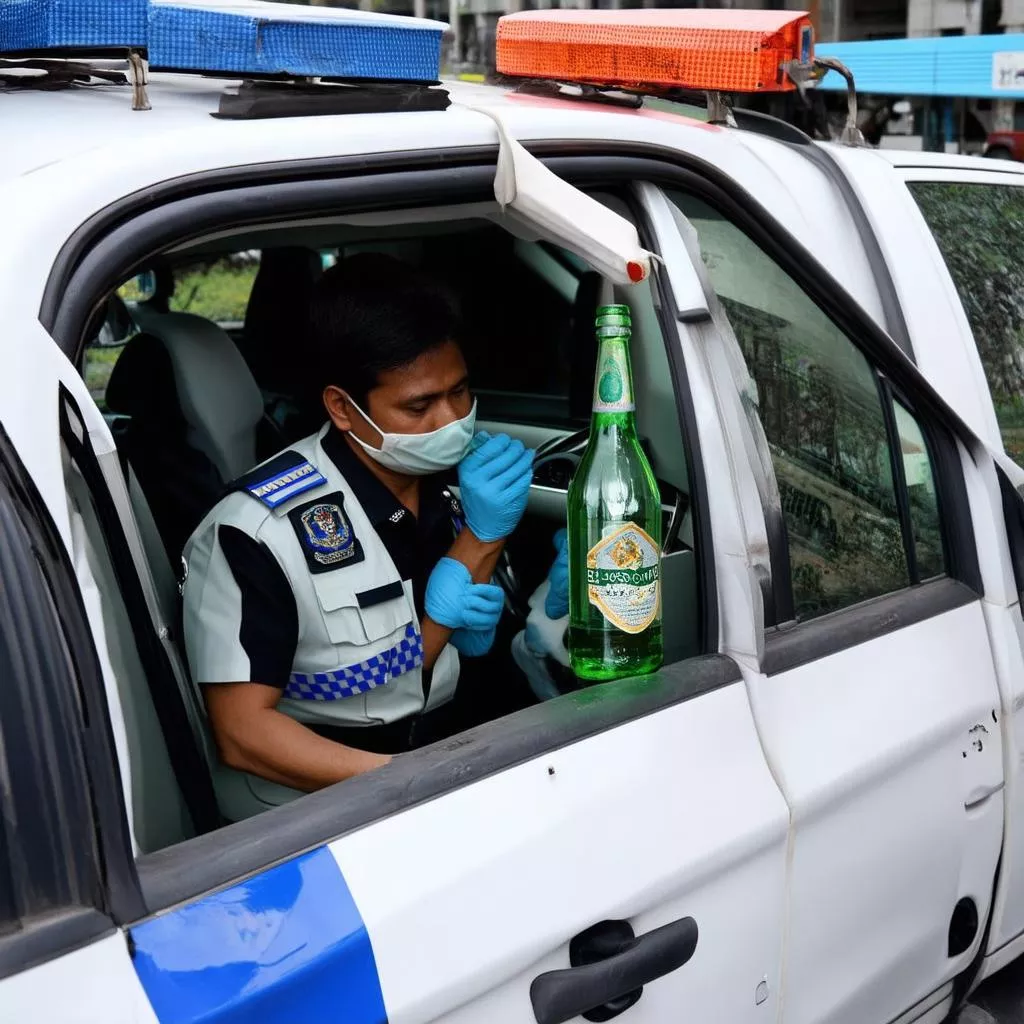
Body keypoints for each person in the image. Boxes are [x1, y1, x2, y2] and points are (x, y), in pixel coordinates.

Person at [181, 253, 535, 791]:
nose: (451, 421)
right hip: (330, 792)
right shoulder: (257, 532)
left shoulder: (451, 481)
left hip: (447, 740)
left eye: (459, 391)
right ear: (343, 408)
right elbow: (243, 734)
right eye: (419, 407)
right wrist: (410, 787)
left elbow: (411, 662)